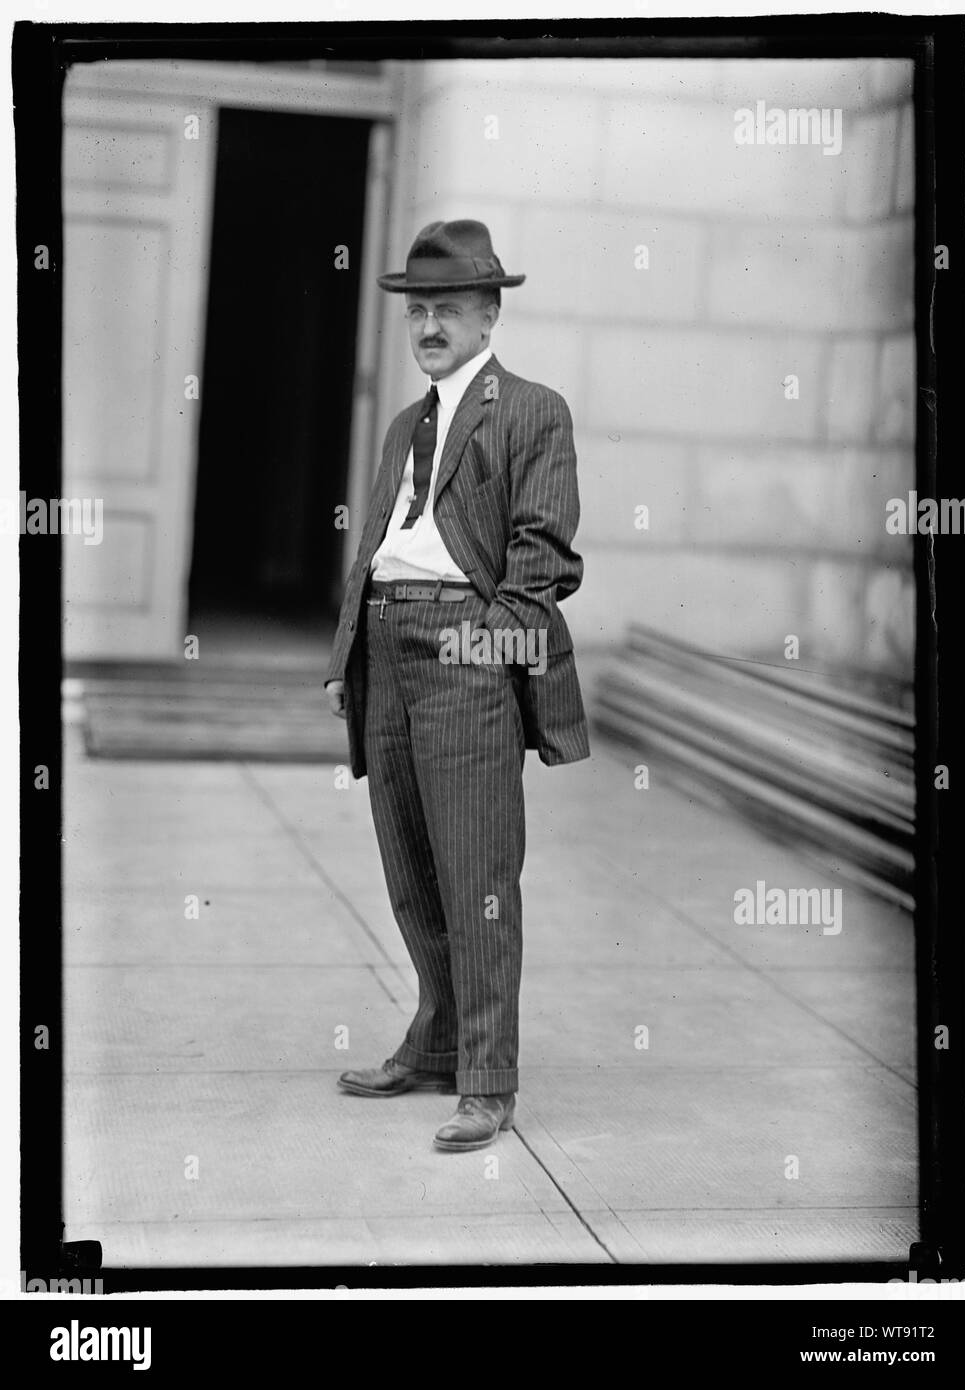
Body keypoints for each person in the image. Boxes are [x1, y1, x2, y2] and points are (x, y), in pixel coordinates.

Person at [324, 218, 589, 1151]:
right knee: (411, 869)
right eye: (417, 310)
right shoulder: (407, 423)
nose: (428, 325)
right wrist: (347, 656)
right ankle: (436, 1040)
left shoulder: (530, 410)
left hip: (464, 650)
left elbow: (544, 553)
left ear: (488, 316)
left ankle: (489, 1077)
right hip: (387, 646)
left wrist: (489, 646)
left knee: (476, 874)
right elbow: (379, 546)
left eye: (447, 309)